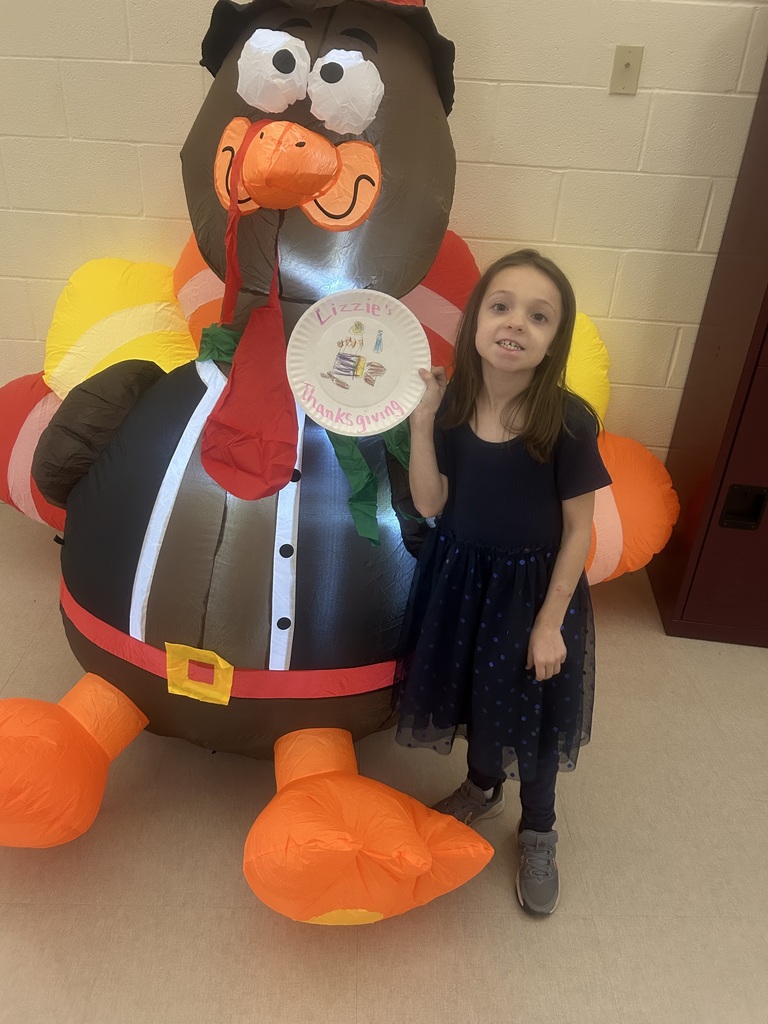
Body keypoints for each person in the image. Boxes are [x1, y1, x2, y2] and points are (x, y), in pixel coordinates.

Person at [395, 249, 611, 915]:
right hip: (461, 577)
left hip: (530, 591)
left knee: (533, 716)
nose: (516, 323)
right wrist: (423, 423)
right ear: (476, 322)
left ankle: (539, 827)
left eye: (539, 316)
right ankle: (483, 783)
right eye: (501, 306)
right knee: (475, 693)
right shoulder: (454, 403)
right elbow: (430, 504)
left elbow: (578, 531)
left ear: (554, 341)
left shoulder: (569, 422)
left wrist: (550, 623)